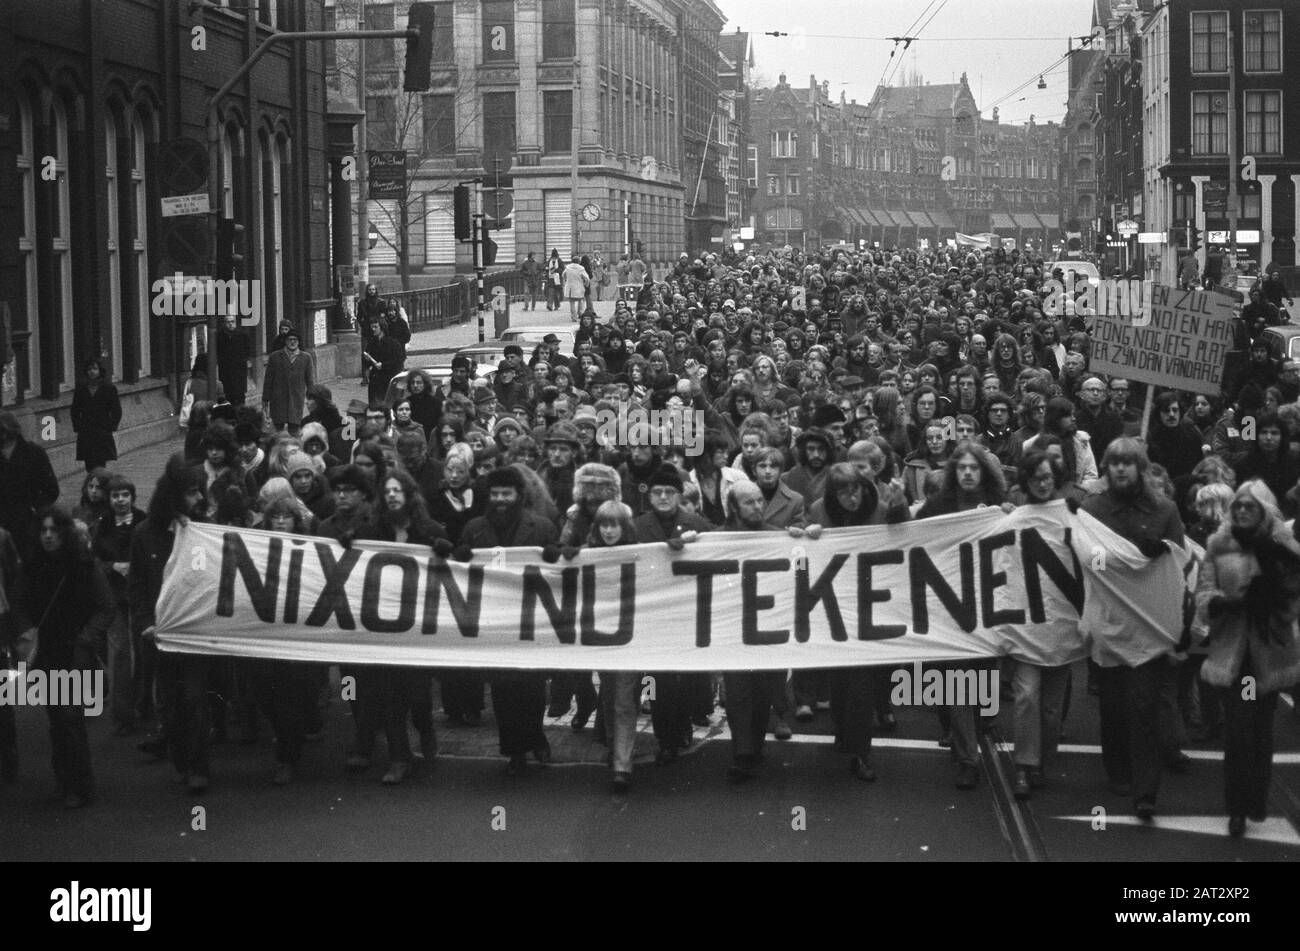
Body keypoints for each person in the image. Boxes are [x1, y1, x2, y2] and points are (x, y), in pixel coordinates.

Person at [1079, 437, 1187, 823]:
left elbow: (1180, 564)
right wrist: (1115, 557)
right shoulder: (1092, 510)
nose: (1120, 469)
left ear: (1141, 469)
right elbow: (1086, 558)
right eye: (1114, 463)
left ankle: (1146, 791)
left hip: (1148, 628)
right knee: (1113, 707)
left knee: (1144, 709)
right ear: (1106, 469)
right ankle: (1118, 769)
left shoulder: (1164, 510)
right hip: (1109, 626)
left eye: (1128, 463)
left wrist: (1159, 550)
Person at [1195, 480, 1300, 836]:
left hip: (1268, 655)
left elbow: (1294, 596)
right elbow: (1203, 593)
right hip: (1235, 656)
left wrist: (1276, 605)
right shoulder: (1219, 545)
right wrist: (1223, 603)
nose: (1240, 511)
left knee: (1261, 731)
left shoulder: (1283, 547)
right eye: (1237, 505)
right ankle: (1237, 807)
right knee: (1240, 730)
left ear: (1263, 511)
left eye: (1249, 507)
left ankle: (1255, 799)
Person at [454, 466, 559, 774]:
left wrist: (556, 554)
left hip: (531, 621)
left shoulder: (541, 527)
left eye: (507, 494)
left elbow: (556, 571)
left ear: (519, 496)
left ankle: (536, 737)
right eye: (495, 494)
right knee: (503, 691)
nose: (500, 499)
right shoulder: (474, 528)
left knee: (532, 688)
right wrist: (459, 555)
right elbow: (460, 572)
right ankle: (515, 752)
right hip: (493, 622)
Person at [915, 442, 1007, 790]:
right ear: (955, 472)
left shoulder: (1000, 506)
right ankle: (969, 758)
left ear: (984, 471)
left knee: (982, 691)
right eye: (963, 467)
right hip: (950, 605)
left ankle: (974, 725)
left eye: (975, 467)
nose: (968, 473)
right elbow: (913, 536)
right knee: (956, 684)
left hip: (989, 605)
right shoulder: (939, 506)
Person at [11, 505, 115, 808]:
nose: (47, 536)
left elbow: (105, 606)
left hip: (75, 652)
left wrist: (86, 640)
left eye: (53, 530)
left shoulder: (83, 565)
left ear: (63, 533)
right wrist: (26, 632)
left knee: (70, 718)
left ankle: (80, 785)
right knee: (57, 719)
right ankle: (64, 781)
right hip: (46, 652)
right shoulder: (30, 566)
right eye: (43, 530)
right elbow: (18, 604)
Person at [129, 457, 211, 789]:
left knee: (195, 699)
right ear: (175, 495)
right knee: (172, 704)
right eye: (192, 493)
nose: (199, 500)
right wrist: (145, 623)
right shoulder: (144, 535)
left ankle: (200, 768)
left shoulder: (204, 532)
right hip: (160, 637)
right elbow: (136, 586)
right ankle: (181, 760)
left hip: (194, 636)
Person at [1006, 451, 1073, 801]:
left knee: (1050, 709)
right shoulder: (1015, 517)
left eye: (1048, 477)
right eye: (1036, 479)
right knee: (1026, 697)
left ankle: (1043, 761)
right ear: (1026, 482)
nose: (1043, 483)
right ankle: (1023, 766)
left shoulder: (1073, 515)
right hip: (1026, 628)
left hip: (1061, 629)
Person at [633, 463, 712, 763]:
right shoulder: (638, 526)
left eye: (669, 492)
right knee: (660, 680)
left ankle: (684, 727)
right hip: (652, 613)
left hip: (688, 611)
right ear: (649, 496)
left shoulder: (697, 524)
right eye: (657, 492)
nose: (663, 497)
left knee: (687, 676)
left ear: (679, 495)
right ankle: (666, 738)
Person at [586, 500, 640, 793]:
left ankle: (623, 764)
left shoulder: (641, 553)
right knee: (609, 692)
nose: (608, 531)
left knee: (622, 699)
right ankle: (614, 747)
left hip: (630, 638)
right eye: (603, 525)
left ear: (624, 527)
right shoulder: (588, 553)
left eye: (614, 524)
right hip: (601, 637)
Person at [0, 411, 60, 559]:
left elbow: (51, 489)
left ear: (7, 433)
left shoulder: (34, 453)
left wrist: (36, 510)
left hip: (27, 522)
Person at [70, 357, 123, 474]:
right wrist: (78, 426)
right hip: (86, 430)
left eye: (94, 368)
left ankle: (101, 483)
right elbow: (74, 409)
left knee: (100, 461)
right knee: (89, 462)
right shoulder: (81, 388)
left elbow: (116, 410)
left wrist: (111, 426)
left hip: (102, 430)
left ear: (100, 370)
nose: (92, 372)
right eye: (89, 369)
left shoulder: (109, 388)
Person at [262, 327, 314, 435]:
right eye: (290, 339)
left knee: (295, 429)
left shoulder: (306, 358)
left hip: (296, 398)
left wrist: (312, 398)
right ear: (285, 341)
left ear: (299, 342)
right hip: (278, 398)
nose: (292, 342)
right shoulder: (275, 357)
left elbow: (310, 381)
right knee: (277, 430)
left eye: (295, 339)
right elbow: (268, 380)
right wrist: (265, 399)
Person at [363, 319, 405, 406]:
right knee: (374, 404)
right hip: (375, 379)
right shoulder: (372, 343)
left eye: (375, 327)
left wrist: (384, 365)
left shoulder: (393, 343)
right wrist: (367, 360)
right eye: (372, 327)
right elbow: (368, 358)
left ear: (382, 328)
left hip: (387, 378)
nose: (373, 329)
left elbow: (398, 360)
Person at [216, 312, 252, 406]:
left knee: (240, 395)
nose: (230, 324)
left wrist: (244, 361)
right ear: (224, 323)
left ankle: (240, 414)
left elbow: (247, 350)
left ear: (235, 322)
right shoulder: (219, 336)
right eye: (228, 322)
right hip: (226, 371)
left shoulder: (242, 335)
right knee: (228, 395)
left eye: (232, 321)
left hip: (239, 371)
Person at [563, 255, 591, 322]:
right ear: (579, 261)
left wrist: (566, 280)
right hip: (579, 287)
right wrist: (586, 284)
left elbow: (563, 274)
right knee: (581, 301)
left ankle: (574, 317)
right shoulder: (581, 268)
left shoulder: (567, 267)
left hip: (570, 288)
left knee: (572, 303)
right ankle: (580, 313)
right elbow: (587, 278)